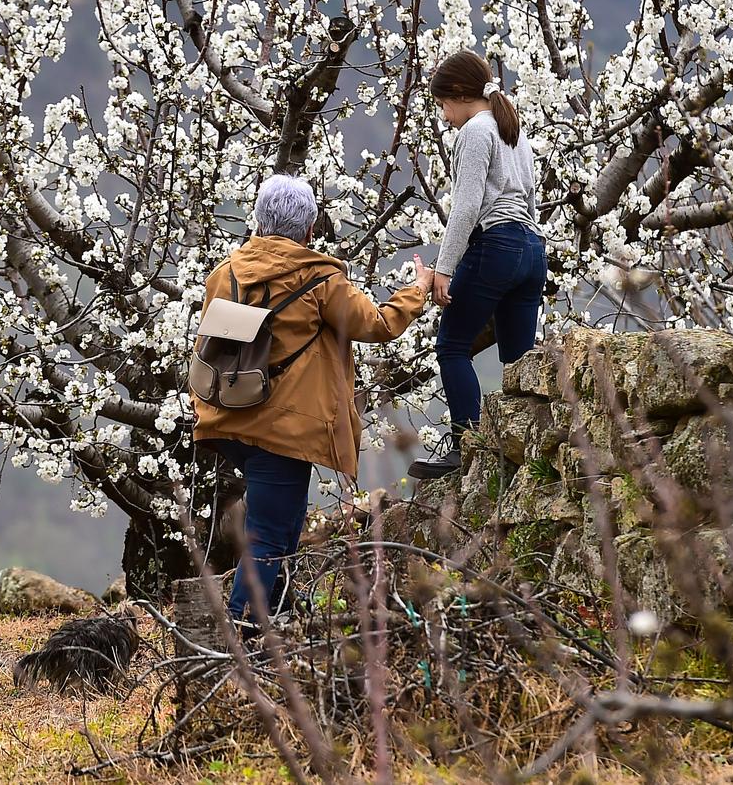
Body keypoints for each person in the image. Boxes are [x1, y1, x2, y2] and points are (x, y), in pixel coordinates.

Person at [192, 173, 432, 621]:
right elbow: (377, 325)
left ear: (259, 220)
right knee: (268, 532)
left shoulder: (225, 273)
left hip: (225, 415)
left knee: (280, 521)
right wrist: (417, 290)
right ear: (308, 230)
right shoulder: (320, 281)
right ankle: (241, 637)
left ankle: (279, 614)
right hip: (282, 427)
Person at [409, 50, 547, 481]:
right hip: (532, 248)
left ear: (455, 95)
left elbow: (467, 207)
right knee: (519, 359)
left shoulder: (475, 131)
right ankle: (531, 451)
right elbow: (531, 199)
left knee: (451, 345)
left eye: (442, 106)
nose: (445, 117)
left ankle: (464, 448)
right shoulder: (513, 130)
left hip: (498, 243)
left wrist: (444, 269)